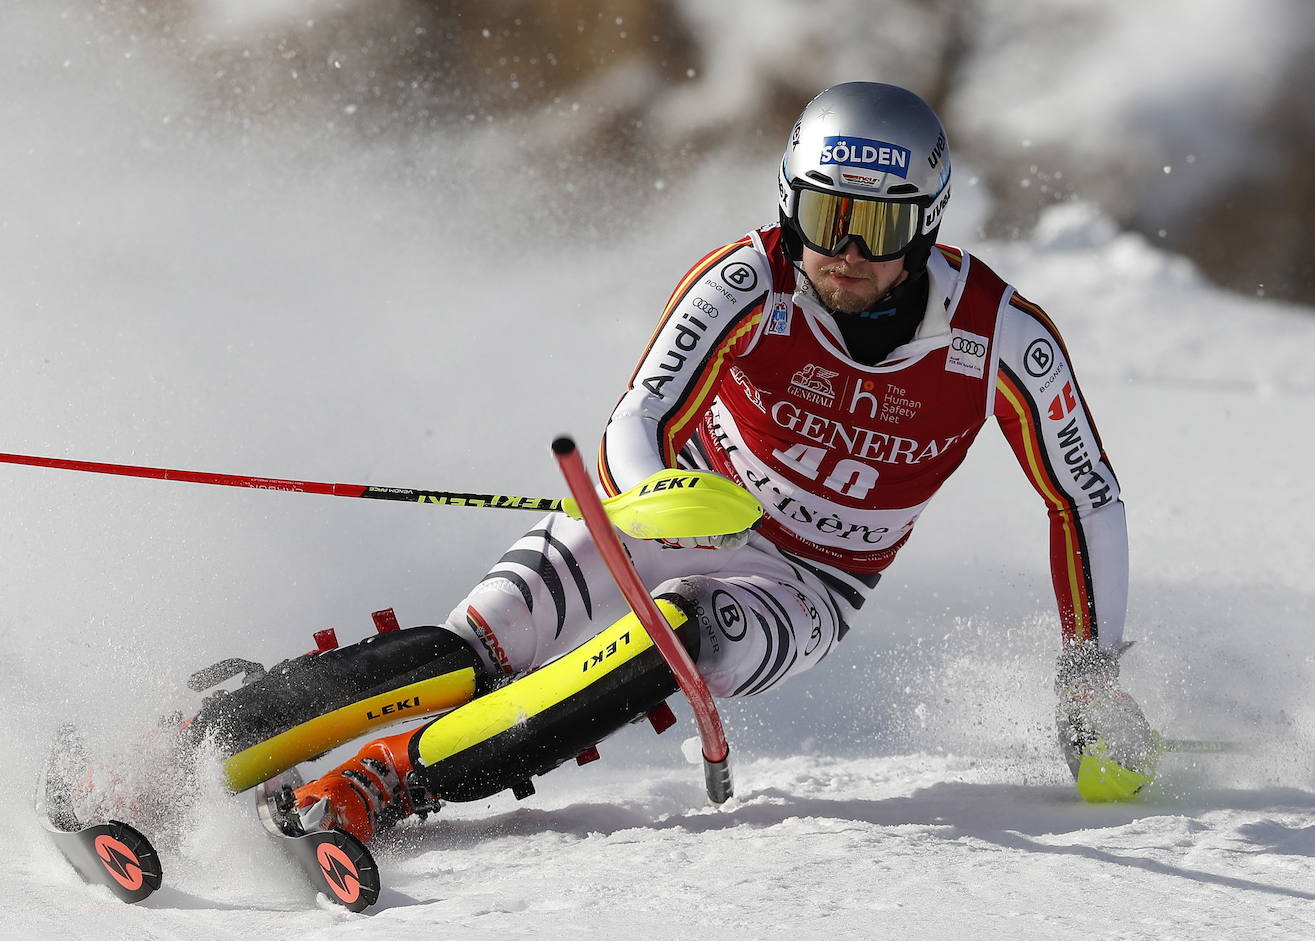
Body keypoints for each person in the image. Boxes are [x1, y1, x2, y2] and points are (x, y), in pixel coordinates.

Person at [194, 82, 1158, 845]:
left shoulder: (1002, 338)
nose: (846, 252)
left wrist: (1090, 676)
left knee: (683, 634)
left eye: (880, 226)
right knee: (472, 649)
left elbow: (1087, 499)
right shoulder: (749, 279)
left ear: (929, 223)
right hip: (675, 510)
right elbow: (640, 413)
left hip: (809, 583)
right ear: (791, 202)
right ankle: (205, 741)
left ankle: (390, 780)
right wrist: (654, 494)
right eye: (825, 215)